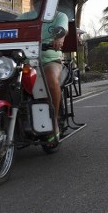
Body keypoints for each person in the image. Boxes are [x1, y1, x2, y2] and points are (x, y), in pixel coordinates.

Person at [41, 9, 69, 143]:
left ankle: (54, 122)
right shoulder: (26, 16)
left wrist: (59, 39)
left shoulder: (59, 15)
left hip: (50, 60)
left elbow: (62, 29)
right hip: (24, 60)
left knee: (50, 78)